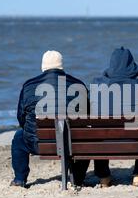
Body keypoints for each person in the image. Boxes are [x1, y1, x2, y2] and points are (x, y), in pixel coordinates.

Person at [11, 51, 89, 188]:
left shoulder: (29, 86)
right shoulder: (78, 85)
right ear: (61, 66)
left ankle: (19, 179)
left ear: (43, 67)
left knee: (19, 137)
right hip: (72, 145)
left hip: (38, 144)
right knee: (87, 138)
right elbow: (87, 117)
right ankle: (77, 178)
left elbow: (21, 118)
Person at [90, 47, 138, 188]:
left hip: (105, 142)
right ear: (132, 64)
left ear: (111, 64)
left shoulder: (97, 86)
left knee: (97, 130)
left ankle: (104, 176)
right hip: (135, 141)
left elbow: (89, 107)